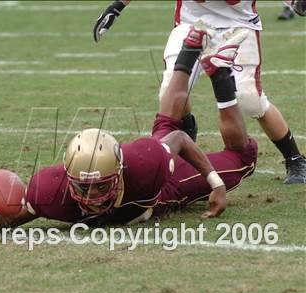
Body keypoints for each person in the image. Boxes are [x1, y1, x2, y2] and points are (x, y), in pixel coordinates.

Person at [0, 26, 258, 230]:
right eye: (85, 187)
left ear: (120, 171)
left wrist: (216, 183)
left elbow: (180, 138)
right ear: (68, 178)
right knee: (164, 124)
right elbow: (7, 218)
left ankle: (220, 74)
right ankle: (192, 46)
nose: (93, 198)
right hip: (146, 166)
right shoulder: (49, 191)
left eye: (101, 185)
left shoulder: (145, 165)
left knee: (242, 158)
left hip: (165, 187)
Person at [93, 0, 306, 184]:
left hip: (238, 25)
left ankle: (295, 159)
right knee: (170, 90)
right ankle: (185, 131)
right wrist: (117, 6)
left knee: (249, 99)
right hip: (191, 22)